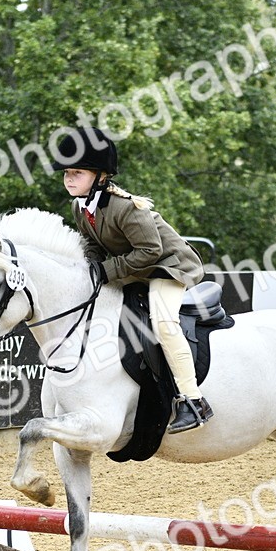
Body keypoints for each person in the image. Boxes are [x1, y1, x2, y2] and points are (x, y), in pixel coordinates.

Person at [51, 127, 213, 433]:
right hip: (137, 269)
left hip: (169, 266)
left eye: (77, 172)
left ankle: (193, 401)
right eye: (66, 173)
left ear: (100, 175)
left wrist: (107, 271)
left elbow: (152, 250)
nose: (69, 178)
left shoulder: (126, 207)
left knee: (164, 323)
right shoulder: (79, 206)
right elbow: (97, 249)